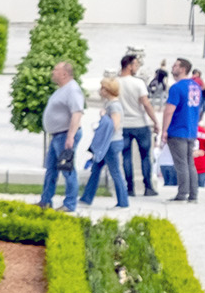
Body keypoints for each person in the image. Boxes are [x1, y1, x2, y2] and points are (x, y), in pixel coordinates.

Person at [38, 59, 83, 211]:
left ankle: (70, 204)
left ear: (64, 74)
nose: (52, 72)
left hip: (65, 135)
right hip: (57, 135)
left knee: (67, 169)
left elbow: (77, 113)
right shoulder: (62, 89)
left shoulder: (72, 89)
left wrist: (70, 136)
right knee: (51, 169)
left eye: (55, 70)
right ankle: (45, 201)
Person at [80, 71, 129, 210]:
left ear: (107, 90)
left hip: (111, 143)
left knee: (115, 172)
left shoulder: (113, 105)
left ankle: (123, 202)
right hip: (108, 143)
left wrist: (103, 117)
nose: (100, 91)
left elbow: (115, 124)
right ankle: (86, 198)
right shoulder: (110, 104)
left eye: (102, 88)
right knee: (95, 170)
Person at [116, 52, 159, 198]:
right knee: (145, 156)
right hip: (140, 123)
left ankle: (130, 188)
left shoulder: (115, 83)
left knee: (126, 156)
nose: (137, 67)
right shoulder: (138, 83)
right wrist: (155, 121)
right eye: (136, 65)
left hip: (123, 124)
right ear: (129, 66)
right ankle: (148, 187)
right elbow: (145, 103)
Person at [166, 56, 203, 202]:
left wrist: (164, 130)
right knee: (190, 163)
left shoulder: (176, 87)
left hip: (178, 129)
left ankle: (182, 194)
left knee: (181, 164)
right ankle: (193, 194)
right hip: (191, 129)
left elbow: (169, 110)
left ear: (182, 69)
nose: (172, 67)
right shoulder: (196, 87)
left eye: (175, 66)